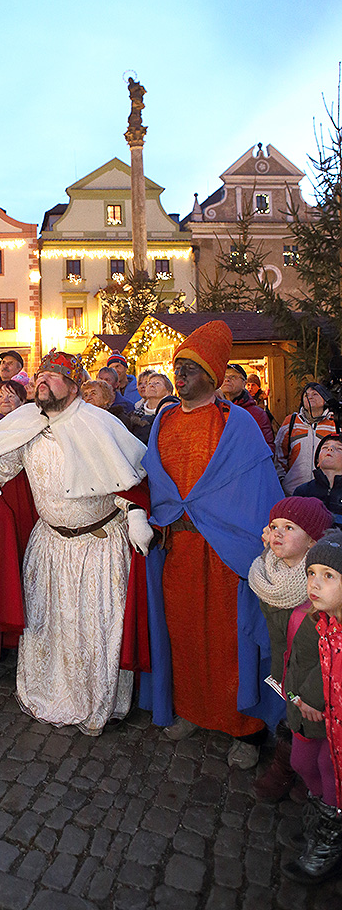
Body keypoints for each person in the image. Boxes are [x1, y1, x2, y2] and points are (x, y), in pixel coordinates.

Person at [0, 349, 151, 734]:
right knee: (48, 628)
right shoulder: (27, 423)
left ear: (73, 387)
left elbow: (127, 480)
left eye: (52, 376)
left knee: (93, 633)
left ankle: (93, 707)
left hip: (97, 548)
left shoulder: (99, 424)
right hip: (49, 547)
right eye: (40, 375)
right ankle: (45, 696)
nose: (42, 381)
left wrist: (135, 514)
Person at [142, 320, 285, 768]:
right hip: (178, 550)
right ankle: (187, 710)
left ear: (214, 376)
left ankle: (244, 726)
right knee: (181, 635)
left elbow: (258, 489)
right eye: (177, 366)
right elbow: (155, 484)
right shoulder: (162, 419)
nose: (180, 375)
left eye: (190, 368)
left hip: (226, 553)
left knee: (230, 639)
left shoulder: (237, 423)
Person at [248, 497, 333, 804]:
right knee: (291, 717)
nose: (278, 534)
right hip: (287, 667)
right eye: (274, 527)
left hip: (319, 680)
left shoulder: (323, 583)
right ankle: (293, 767)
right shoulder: (268, 572)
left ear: (313, 540)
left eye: (289, 528)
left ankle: (315, 782)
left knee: (313, 728)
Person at [283, 530, 342, 884]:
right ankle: (322, 818)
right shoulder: (321, 622)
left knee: (329, 768)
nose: (315, 584)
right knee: (304, 761)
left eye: (328, 576)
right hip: (323, 721)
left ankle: (329, 842)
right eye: (311, 574)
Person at [275, 383, 342, 494]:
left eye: (315, 394)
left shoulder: (335, 422)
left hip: (326, 492)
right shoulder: (291, 422)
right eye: (306, 395)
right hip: (293, 491)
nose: (310, 397)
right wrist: (282, 480)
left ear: (325, 399)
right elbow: (279, 454)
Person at [221, 362, 274, 449]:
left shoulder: (257, 414)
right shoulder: (213, 409)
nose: (227, 379)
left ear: (243, 384)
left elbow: (267, 448)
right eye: (225, 376)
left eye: (233, 376)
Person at [294, 434, 342, 524]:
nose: (330, 449)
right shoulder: (303, 491)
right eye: (325, 447)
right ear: (317, 461)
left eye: (339, 448)